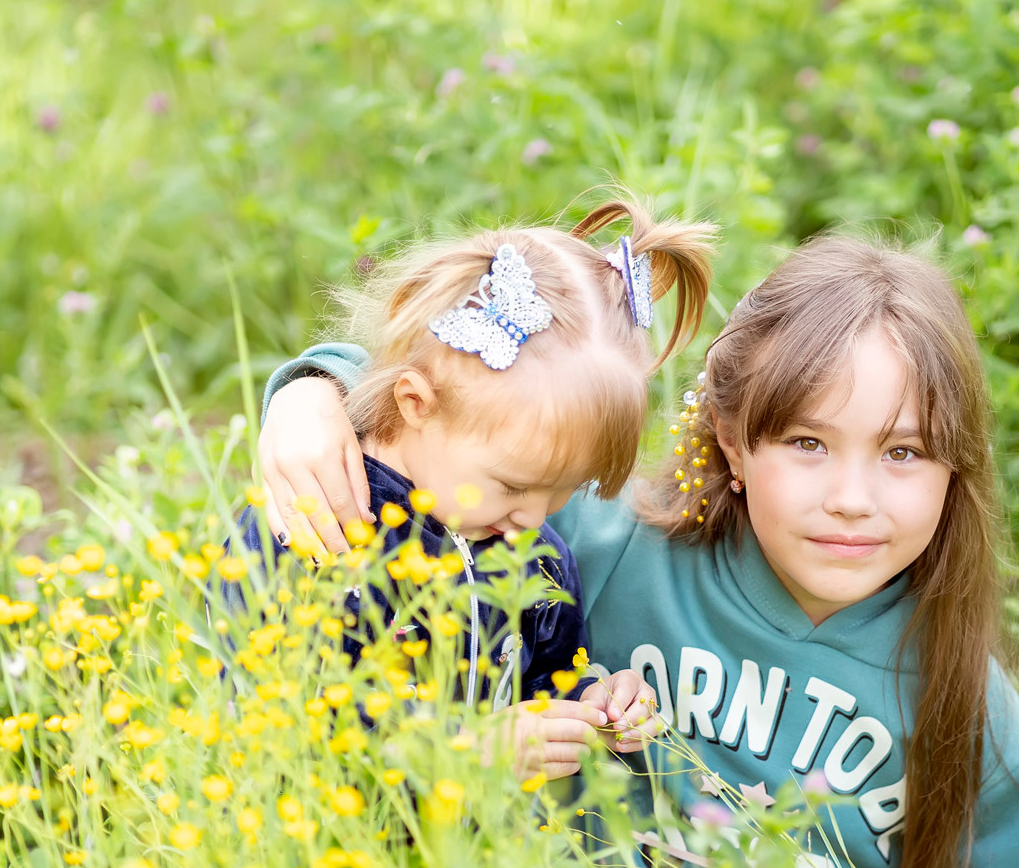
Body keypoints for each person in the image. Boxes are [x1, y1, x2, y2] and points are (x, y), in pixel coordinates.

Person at [257, 232, 1019, 868]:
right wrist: (309, 397)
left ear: (952, 469)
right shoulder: (602, 550)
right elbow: (452, 404)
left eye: (901, 453)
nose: (851, 498)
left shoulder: (969, 714)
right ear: (728, 437)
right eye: (807, 442)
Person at [237, 199, 717, 777]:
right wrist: (464, 752)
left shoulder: (532, 554)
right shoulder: (323, 518)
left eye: (568, 488)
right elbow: (280, 730)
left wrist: (592, 700)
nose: (535, 516)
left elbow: (549, 673)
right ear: (415, 404)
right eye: (514, 484)